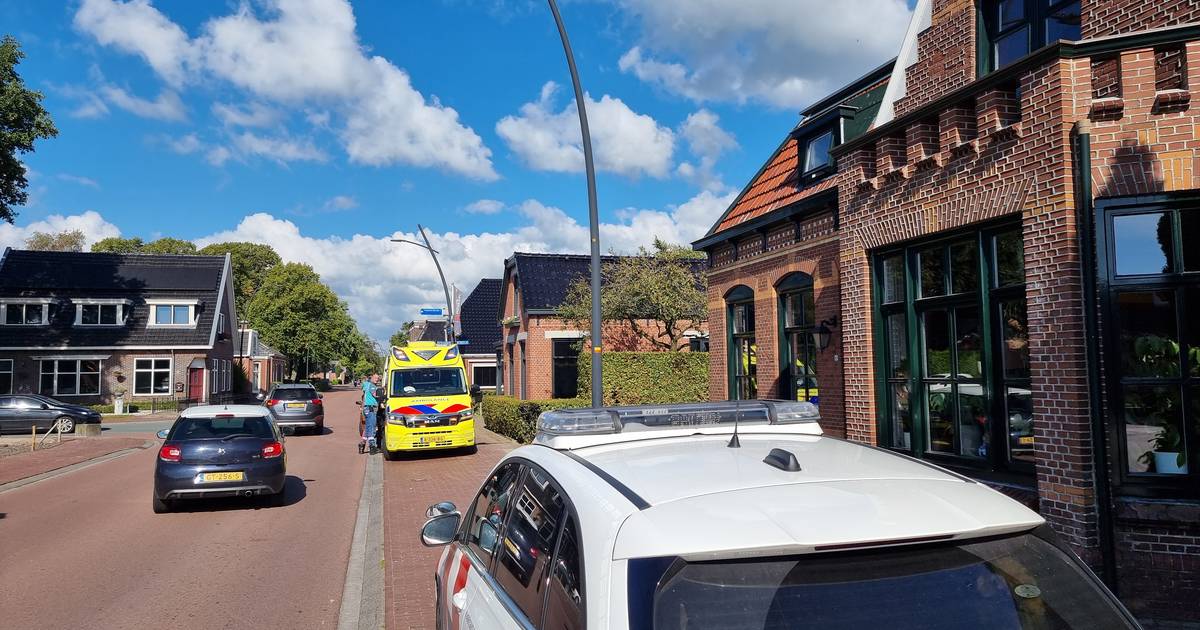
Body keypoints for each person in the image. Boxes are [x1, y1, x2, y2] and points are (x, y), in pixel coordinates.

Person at [361, 374, 380, 452]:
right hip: (371, 408)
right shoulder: (372, 386)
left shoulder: (367, 385)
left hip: (367, 408)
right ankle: (372, 446)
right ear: (371, 378)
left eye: (378, 378)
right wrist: (384, 396)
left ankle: (362, 444)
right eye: (375, 378)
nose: (377, 379)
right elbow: (376, 395)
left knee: (368, 427)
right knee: (372, 426)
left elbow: (364, 395)